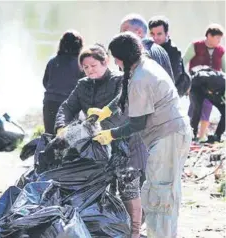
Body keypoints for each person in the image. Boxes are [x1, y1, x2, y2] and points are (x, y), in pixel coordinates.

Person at [90, 32, 192, 238]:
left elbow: (137, 123)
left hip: (168, 137)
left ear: (123, 57)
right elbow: (124, 95)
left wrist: (111, 134)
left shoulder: (141, 77)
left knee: (160, 194)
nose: (115, 62)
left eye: (116, 58)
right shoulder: (141, 66)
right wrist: (107, 111)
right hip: (171, 135)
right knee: (162, 190)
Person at [55, 44, 148, 238]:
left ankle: (135, 232)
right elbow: (67, 107)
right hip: (97, 148)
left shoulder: (120, 81)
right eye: (86, 67)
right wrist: (61, 127)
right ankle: (112, 230)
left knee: (129, 189)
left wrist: (98, 125)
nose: (90, 70)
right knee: (103, 191)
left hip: (126, 143)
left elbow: (124, 111)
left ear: (105, 62)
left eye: (93, 65)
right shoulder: (82, 85)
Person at [183, 23, 225, 142]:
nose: (219, 41)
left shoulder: (221, 50)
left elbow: (224, 69)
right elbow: (183, 61)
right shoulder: (195, 46)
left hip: (212, 86)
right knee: (194, 108)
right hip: (196, 83)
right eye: (217, 38)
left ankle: (201, 137)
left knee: (207, 107)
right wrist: (185, 82)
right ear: (209, 36)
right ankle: (189, 135)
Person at [42, 30, 84, 134]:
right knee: (68, 137)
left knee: (49, 135)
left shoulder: (52, 61)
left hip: (50, 102)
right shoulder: (81, 65)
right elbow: (85, 86)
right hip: (69, 105)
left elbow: (45, 82)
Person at [120, 13, 174, 80]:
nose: (121, 35)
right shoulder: (162, 51)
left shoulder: (138, 53)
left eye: (125, 31)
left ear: (139, 32)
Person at [190, 66, 225, 143]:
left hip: (212, 92)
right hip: (197, 87)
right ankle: (192, 134)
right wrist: (187, 86)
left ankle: (217, 136)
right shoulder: (219, 80)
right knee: (197, 110)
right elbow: (198, 76)